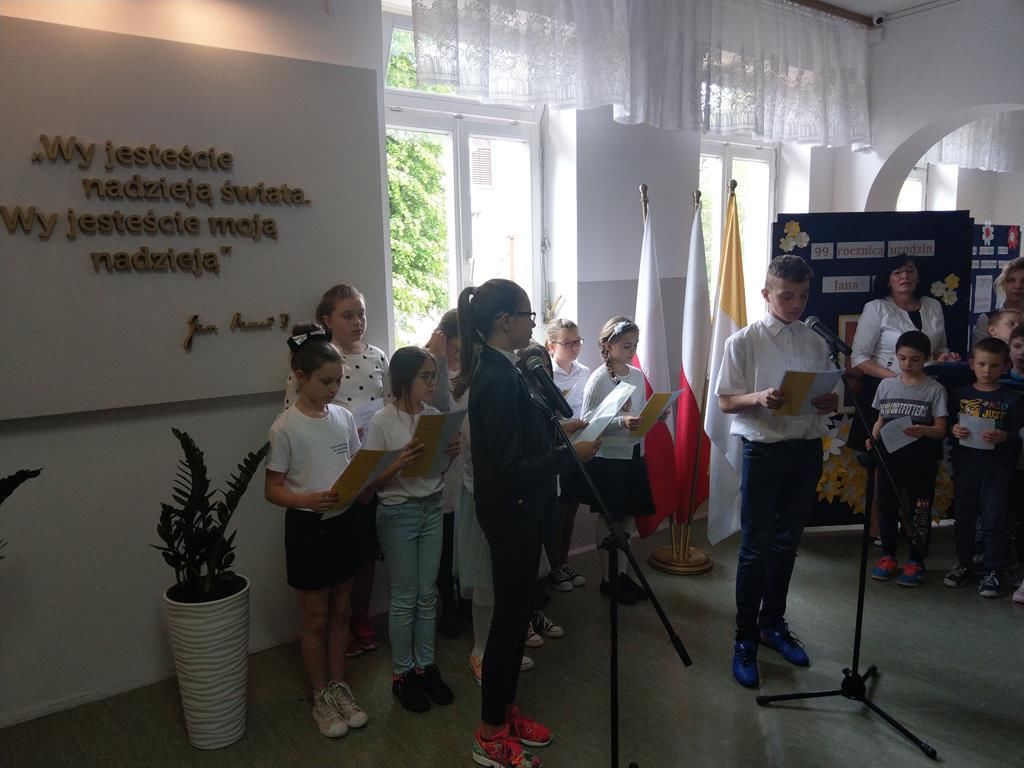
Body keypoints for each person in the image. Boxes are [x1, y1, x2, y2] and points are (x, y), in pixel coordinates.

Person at [458, 278, 600, 768]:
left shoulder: (509, 367)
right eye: (528, 316)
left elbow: (519, 438)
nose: (533, 325)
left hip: (525, 506)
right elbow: (505, 469)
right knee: (507, 623)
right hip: (510, 511)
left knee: (518, 618)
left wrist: (560, 431)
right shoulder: (495, 377)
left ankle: (505, 711)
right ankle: (489, 733)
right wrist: (570, 455)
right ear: (505, 321)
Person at [714, 256, 838, 689]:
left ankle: (773, 624)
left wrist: (830, 401)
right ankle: (744, 637)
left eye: (803, 296)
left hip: (805, 447)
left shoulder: (816, 340)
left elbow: (827, 394)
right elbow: (725, 401)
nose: (796, 304)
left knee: (787, 545)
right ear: (766, 294)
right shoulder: (743, 341)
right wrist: (759, 397)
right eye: (787, 296)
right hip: (764, 450)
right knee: (756, 547)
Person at [264, 324, 369, 738]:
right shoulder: (285, 427)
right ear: (300, 377)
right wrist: (307, 499)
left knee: (342, 610)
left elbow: (356, 467)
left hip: (344, 521)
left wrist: (363, 483)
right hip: (308, 528)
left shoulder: (343, 417)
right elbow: (272, 489)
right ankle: (320, 693)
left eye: (338, 381)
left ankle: (339, 685)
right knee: (315, 617)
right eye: (325, 381)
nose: (333, 389)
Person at [283, 284, 389, 658]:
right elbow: (294, 417)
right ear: (327, 320)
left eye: (361, 313)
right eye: (348, 315)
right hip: (331, 475)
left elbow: (389, 404)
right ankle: (332, 629)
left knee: (366, 551)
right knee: (334, 559)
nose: (358, 321)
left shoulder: (378, 356)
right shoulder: (316, 359)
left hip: (370, 466)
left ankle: (359, 618)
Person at [363, 346, 459, 713]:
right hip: (398, 512)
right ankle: (402, 674)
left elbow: (437, 471)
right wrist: (398, 462)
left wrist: (448, 454)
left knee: (427, 594)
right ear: (404, 380)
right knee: (404, 597)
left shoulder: (433, 417)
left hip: (432, 508)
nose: (433, 383)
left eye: (434, 375)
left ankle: (425, 666)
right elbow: (371, 484)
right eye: (426, 376)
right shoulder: (382, 421)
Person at [580, 317, 660, 605]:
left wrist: (653, 415)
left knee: (628, 516)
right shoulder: (599, 379)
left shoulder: (636, 375)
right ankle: (608, 578)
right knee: (610, 516)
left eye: (635, 345)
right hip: (610, 458)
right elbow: (587, 423)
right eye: (626, 345)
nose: (632, 350)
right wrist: (621, 422)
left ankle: (622, 573)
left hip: (634, 454)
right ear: (608, 345)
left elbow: (638, 413)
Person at [943, 338, 1023, 598]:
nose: (987, 370)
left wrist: (1004, 437)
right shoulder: (959, 394)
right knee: (964, 519)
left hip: (997, 470)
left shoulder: (1011, 399)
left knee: (994, 520)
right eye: (982, 364)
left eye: (994, 365)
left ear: (1005, 367)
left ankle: (992, 570)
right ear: (972, 364)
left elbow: (1018, 435)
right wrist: (953, 430)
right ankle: (965, 564)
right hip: (965, 467)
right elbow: (945, 425)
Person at [868, 330, 948, 588]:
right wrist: (873, 439)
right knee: (886, 507)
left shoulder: (934, 389)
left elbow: (941, 429)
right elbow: (880, 420)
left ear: (926, 358)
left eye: (914, 359)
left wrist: (923, 430)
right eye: (902, 358)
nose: (907, 364)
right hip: (890, 458)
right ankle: (888, 556)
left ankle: (917, 560)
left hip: (921, 460)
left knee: (920, 510)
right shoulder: (886, 385)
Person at [516, 343, 577, 649]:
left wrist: (570, 428)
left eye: (545, 369)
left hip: (549, 485)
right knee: (525, 558)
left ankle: (536, 609)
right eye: (537, 368)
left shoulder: (546, 399)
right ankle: (522, 619)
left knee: (544, 545)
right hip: (528, 489)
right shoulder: (521, 401)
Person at [426, 308, 464, 639]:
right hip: (443, 469)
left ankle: (464, 601)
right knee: (444, 546)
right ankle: (448, 606)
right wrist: (437, 360)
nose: (456, 354)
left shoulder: (471, 370)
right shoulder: (427, 368)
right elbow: (438, 409)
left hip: (467, 464)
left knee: (463, 542)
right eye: (452, 347)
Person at [545, 318, 591, 592]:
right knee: (556, 511)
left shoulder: (584, 371)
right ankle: (552, 566)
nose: (574, 347)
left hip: (580, 447)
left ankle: (563, 561)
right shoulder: (546, 375)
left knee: (572, 506)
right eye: (567, 343)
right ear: (551, 346)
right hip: (557, 449)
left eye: (577, 342)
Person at [972, 256, 1024, 346]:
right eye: (1011, 280)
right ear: (1003, 284)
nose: (1018, 286)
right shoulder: (987, 320)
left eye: (1023, 281)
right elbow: (980, 352)